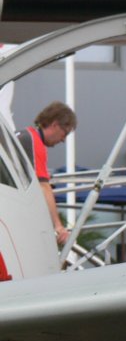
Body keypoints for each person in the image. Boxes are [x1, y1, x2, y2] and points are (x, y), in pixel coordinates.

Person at [18, 101, 76, 246]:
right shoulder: (34, 142)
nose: (63, 140)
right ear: (55, 125)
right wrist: (58, 226)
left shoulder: (23, 134)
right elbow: (43, 187)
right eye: (65, 133)